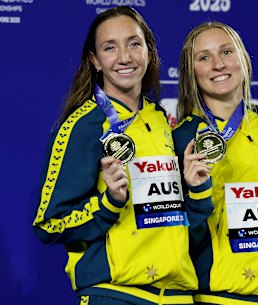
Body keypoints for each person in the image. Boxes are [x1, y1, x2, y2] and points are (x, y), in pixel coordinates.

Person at [32, 6, 198, 305]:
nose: (125, 57)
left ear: (149, 51)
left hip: (177, 295)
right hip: (116, 294)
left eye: (134, 44)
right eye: (110, 47)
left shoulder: (160, 118)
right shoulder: (84, 124)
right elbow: (49, 224)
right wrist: (109, 202)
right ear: (95, 61)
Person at [173, 21, 258, 305]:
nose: (217, 65)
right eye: (204, 57)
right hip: (223, 297)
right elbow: (176, 237)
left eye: (226, 52)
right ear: (191, 72)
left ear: (243, 59)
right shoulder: (183, 137)